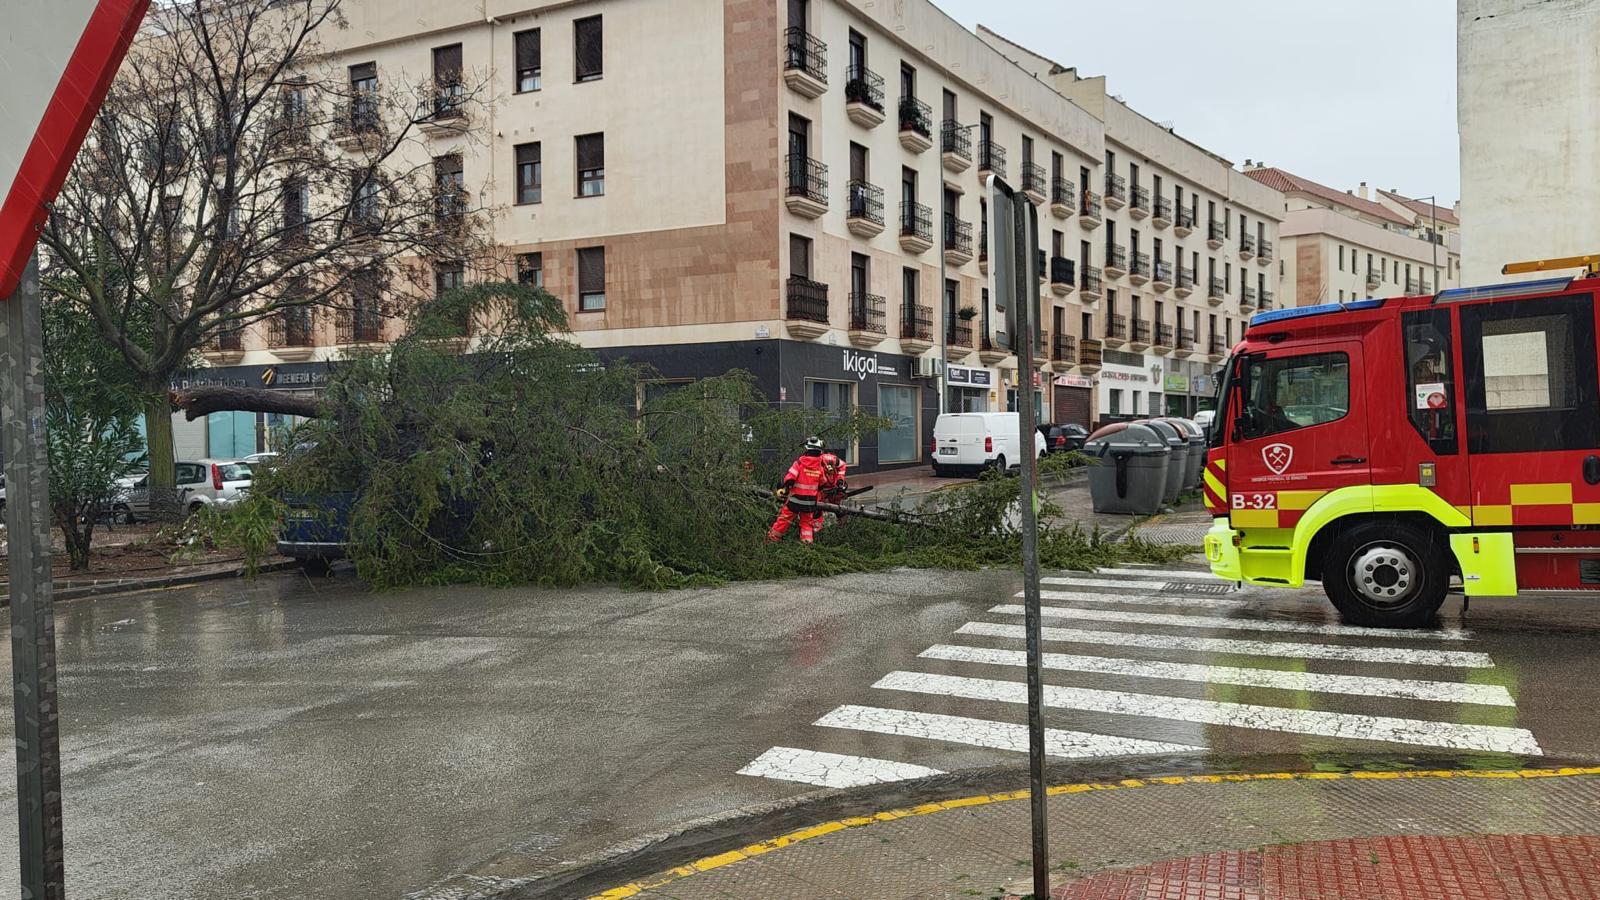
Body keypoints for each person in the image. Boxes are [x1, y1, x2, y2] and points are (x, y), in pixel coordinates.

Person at [768, 436, 829, 544]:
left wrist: (784, 489)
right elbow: (823, 483)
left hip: (795, 501)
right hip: (809, 503)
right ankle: (806, 547)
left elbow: (790, 479)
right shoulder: (819, 468)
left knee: (783, 520)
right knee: (806, 524)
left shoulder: (799, 463)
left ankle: (771, 541)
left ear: (807, 449)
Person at [812, 449, 848, 533]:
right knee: (817, 507)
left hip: (834, 486)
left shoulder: (836, 461)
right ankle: (817, 530)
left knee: (838, 507)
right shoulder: (818, 462)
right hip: (821, 488)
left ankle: (842, 526)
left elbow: (843, 467)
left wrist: (840, 479)